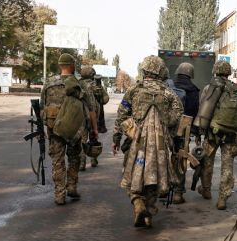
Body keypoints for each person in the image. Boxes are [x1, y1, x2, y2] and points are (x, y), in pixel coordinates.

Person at [113, 55, 183, 228]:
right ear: (160, 72)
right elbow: (177, 116)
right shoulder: (168, 93)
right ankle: (149, 213)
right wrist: (167, 129)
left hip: (136, 141)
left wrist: (117, 138)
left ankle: (137, 203)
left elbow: (122, 114)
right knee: (155, 176)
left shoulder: (134, 90)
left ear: (144, 70)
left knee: (131, 172)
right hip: (160, 145)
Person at [40, 53, 98, 205]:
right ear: (72, 66)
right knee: (74, 158)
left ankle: (59, 194)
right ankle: (71, 186)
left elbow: (41, 106)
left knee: (57, 161)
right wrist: (94, 129)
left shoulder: (49, 82)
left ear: (60, 65)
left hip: (54, 130)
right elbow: (91, 108)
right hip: (74, 129)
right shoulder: (80, 83)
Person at [198, 61, 237, 210]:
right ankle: (222, 198)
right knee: (227, 166)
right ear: (229, 72)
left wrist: (201, 132)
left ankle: (206, 190)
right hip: (230, 134)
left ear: (215, 71)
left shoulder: (209, 88)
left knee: (207, 162)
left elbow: (202, 109)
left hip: (212, 133)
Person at [169, 62, 201, 204]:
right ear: (191, 74)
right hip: (184, 130)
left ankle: (159, 186)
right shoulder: (193, 90)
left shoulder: (169, 86)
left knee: (161, 155)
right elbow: (195, 111)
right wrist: (196, 132)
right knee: (181, 159)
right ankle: (177, 193)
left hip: (168, 128)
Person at [78, 66, 100, 169]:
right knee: (93, 136)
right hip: (93, 115)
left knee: (82, 139)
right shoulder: (95, 84)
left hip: (80, 116)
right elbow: (105, 99)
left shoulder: (77, 84)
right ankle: (93, 159)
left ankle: (82, 162)